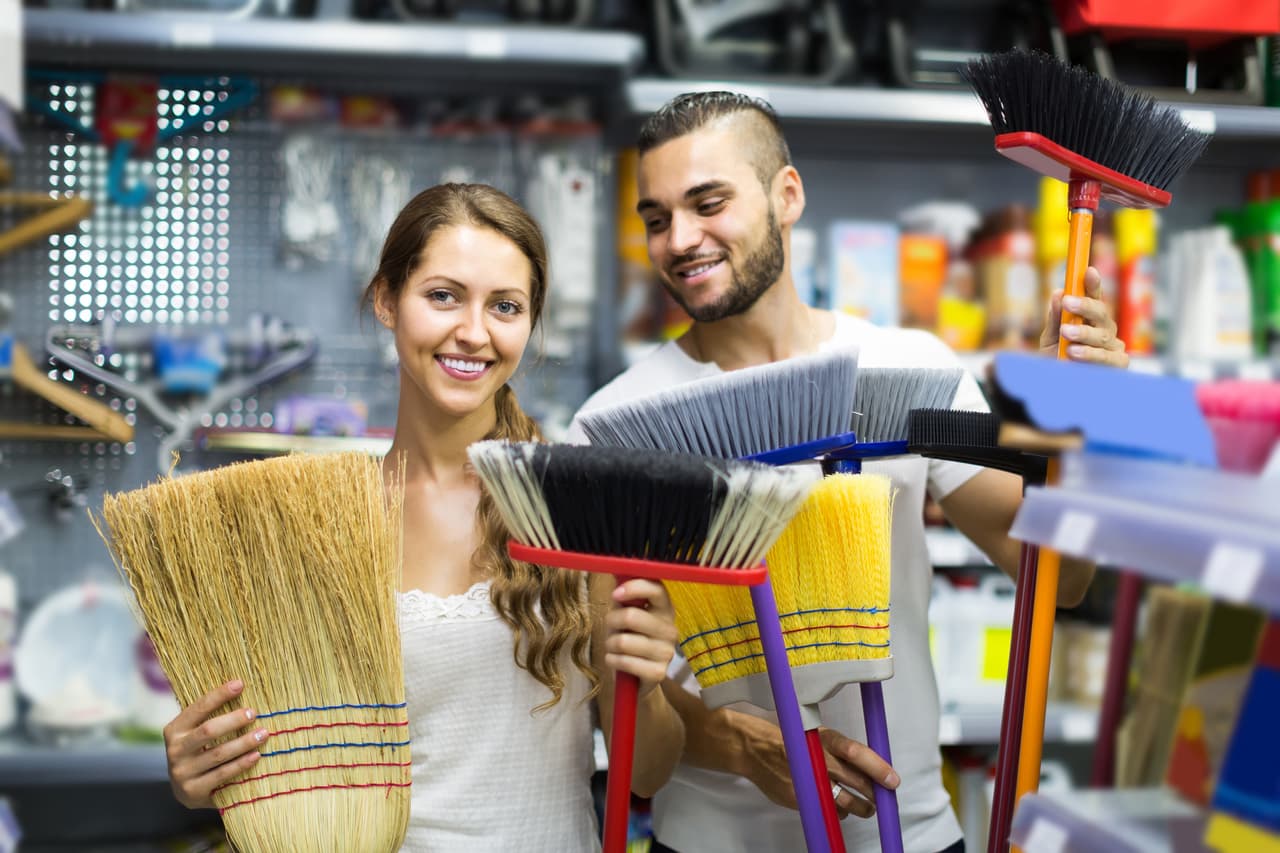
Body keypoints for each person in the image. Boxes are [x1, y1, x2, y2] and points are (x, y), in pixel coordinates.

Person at [568, 92, 1127, 853]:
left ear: (786, 195)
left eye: (708, 203)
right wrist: (745, 745)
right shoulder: (615, 425)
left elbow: (1059, 581)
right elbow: (632, 719)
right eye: (657, 218)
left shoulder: (911, 369)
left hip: (911, 832)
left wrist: (1075, 431)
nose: (680, 239)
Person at [159, 183, 685, 851]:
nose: (473, 331)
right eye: (443, 295)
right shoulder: (314, 525)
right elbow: (267, 760)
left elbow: (649, 770)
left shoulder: (582, 506)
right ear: (387, 300)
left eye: (505, 306)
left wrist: (648, 678)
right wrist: (196, 771)